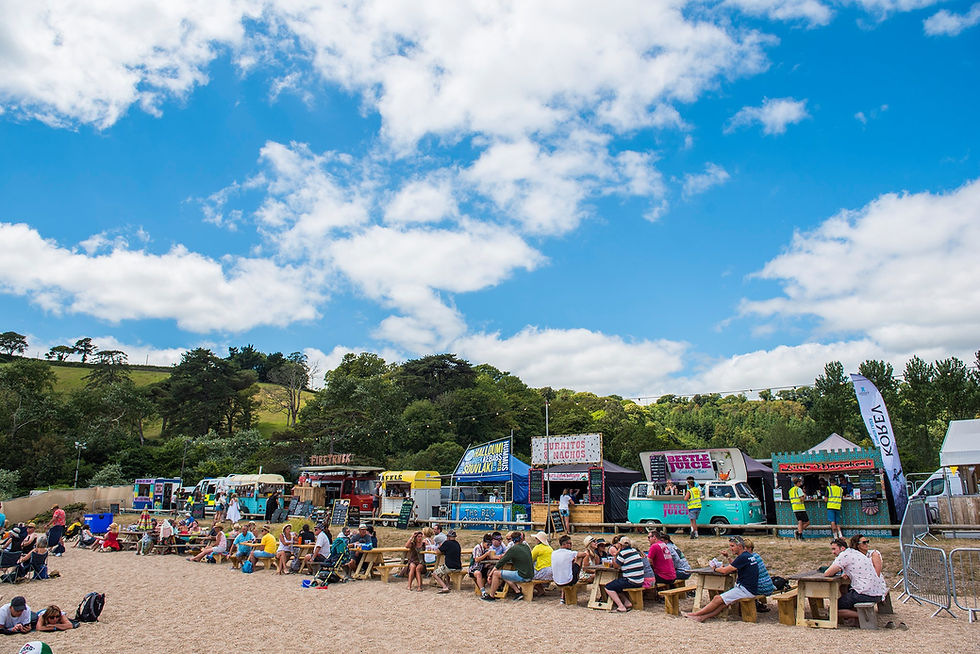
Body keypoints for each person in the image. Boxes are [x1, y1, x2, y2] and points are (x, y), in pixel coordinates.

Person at [684, 536, 759, 623]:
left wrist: (715, 568)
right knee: (723, 603)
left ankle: (695, 614)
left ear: (739, 546)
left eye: (732, 546)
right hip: (750, 588)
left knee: (717, 598)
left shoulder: (742, 557)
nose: (731, 548)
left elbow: (724, 571)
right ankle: (702, 617)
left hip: (745, 590)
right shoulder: (748, 556)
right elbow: (735, 566)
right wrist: (727, 557)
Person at [824, 537, 887, 625]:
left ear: (842, 548)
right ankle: (854, 618)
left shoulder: (844, 555)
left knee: (833, 608)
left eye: (834, 549)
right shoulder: (856, 553)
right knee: (847, 593)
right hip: (878, 593)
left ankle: (861, 615)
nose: (833, 552)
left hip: (865, 593)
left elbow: (827, 573)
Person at [482, 531, 534, 602]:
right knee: (504, 574)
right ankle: (517, 592)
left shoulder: (513, 549)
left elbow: (501, 562)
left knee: (496, 573)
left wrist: (490, 574)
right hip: (530, 575)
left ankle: (491, 596)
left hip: (523, 576)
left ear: (513, 540)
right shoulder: (526, 547)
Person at [604, 536, 646, 612]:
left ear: (620, 544)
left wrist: (615, 555)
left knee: (608, 587)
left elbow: (616, 566)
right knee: (617, 585)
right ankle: (627, 602)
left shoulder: (623, 553)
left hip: (631, 580)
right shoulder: (634, 551)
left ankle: (621, 606)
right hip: (640, 580)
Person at [743, 538, 774, 612]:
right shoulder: (756, 556)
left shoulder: (748, 558)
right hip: (768, 585)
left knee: (741, 588)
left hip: (762, 587)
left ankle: (746, 609)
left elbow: (734, 569)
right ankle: (757, 604)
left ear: (749, 549)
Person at [551, 535, 580, 603]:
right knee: (579, 559)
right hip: (569, 580)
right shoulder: (570, 553)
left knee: (566, 570)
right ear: (564, 544)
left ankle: (562, 597)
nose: (571, 545)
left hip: (556, 580)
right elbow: (583, 554)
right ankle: (577, 577)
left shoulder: (554, 553)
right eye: (570, 543)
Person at [469, 533, 496, 597]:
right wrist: (486, 554)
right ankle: (483, 592)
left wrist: (500, 556)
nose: (489, 546)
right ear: (484, 542)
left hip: (482, 567)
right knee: (478, 574)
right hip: (474, 568)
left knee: (493, 570)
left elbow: (491, 557)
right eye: (488, 544)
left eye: (490, 544)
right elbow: (477, 560)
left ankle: (494, 589)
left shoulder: (487, 549)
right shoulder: (477, 548)